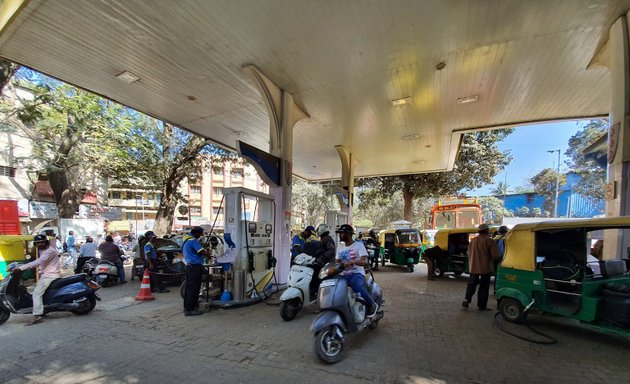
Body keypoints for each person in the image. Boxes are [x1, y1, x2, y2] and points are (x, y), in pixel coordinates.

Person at [17, 234, 61, 325]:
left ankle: (37, 315)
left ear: (46, 242)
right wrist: (26, 266)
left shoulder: (50, 251)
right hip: (46, 275)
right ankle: (43, 309)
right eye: (38, 243)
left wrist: (22, 268)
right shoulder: (43, 251)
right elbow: (40, 263)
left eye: (42, 242)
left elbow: (40, 261)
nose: (40, 244)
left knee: (36, 294)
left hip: (50, 276)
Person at [335, 224, 379, 317]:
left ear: (348, 234)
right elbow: (337, 262)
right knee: (333, 286)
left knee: (355, 285)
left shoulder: (358, 245)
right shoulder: (340, 247)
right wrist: (338, 266)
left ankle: (371, 304)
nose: (340, 235)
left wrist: (353, 261)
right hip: (343, 275)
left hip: (356, 274)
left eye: (342, 233)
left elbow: (365, 261)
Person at [462, 224, 499, 311]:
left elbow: (468, 253)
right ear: (486, 230)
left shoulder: (473, 241)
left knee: (471, 285)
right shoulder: (489, 241)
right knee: (484, 287)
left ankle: (466, 300)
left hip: (473, 268)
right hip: (485, 268)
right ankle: (482, 306)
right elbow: (495, 256)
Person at [182, 226, 209, 316]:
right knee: (194, 289)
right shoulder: (192, 240)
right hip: (194, 267)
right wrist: (207, 253)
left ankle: (187, 307)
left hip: (189, 266)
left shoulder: (186, 240)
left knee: (189, 288)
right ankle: (190, 309)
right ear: (196, 233)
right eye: (199, 235)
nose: (199, 237)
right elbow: (201, 251)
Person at [311, 224, 336, 296]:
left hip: (327, 264)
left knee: (317, 276)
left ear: (321, 230)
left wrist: (322, 257)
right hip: (323, 262)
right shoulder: (324, 238)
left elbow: (331, 250)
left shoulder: (327, 239)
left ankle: (317, 292)